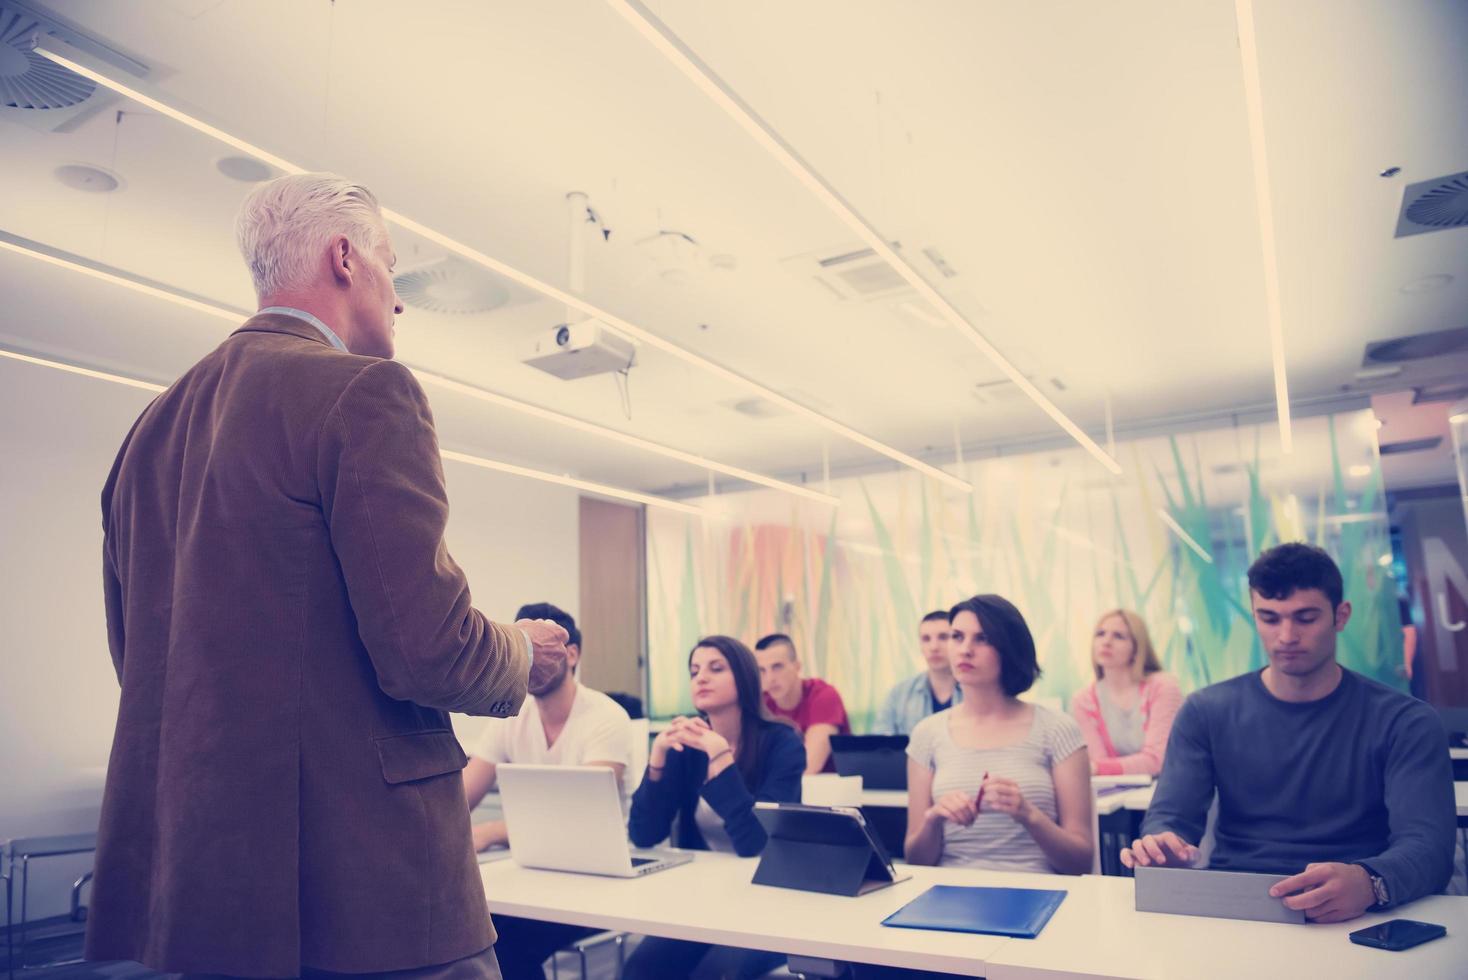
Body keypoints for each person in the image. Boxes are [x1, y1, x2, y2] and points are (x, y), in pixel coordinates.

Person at [86, 172, 570, 979]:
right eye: (390, 263)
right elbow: (428, 649)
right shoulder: (364, 392)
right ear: (345, 258)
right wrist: (524, 652)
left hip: (207, 883)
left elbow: (138, 658)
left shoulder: (150, 428)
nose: (401, 297)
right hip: (371, 886)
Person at [1123, 543, 1456, 923]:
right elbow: (1171, 819)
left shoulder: (1405, 720)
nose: (1286, 635)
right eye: (1269, 618)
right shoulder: (1205, 711)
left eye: (1305, 617)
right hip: (1238, 906)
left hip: (1355, 910)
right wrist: (1163, 845)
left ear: (1340, 615)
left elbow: (1429, 848)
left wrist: (1371, 881)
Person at [463, 603, 633, 980]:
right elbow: (462, 798)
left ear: (570, 654)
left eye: (540, 648)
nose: (531, 659)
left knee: (500, 943)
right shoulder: (510, 715)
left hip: (596, 881)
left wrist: (491, 832)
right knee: (472, 933)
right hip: (532, 874)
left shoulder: (606, 717)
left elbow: (585, 815)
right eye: (526, 648)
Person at [624, 636, 804, 979]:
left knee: (717, 974)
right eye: (694, 671)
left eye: (715, 668)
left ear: (745, 678)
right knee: (640, 969)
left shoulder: (784, 743)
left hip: (769, 902)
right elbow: (644, 834)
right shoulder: (687, 744)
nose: (701, 678)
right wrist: (657, 761)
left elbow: (755, 842)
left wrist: (721, 758)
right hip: (704, 898)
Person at [904, 595, 1092, 874]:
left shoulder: (1058, 729)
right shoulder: (926, 734)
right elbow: (916, 862)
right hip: (949, 893)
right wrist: (933, 819)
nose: (965, 649)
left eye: (983, 639)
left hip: (1039, 891)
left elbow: (1080, 862)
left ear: (1009, 649)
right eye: (957, 636)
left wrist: (1029, 815)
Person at [1069, 609, 1182, 776]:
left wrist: (1098, 768)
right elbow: (1099, 763)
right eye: (1100, 634)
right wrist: (1098, 768)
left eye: (1119, 636)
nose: (1106, 642)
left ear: (1137, 648)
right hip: (1116, 794)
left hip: (1166, 787)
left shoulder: (1164, 687)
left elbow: (1158, 760)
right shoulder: (1083, 700)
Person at [754, 633, 851, 773]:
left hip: (828, 788)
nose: (769, 678)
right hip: (784, 789)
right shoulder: (762, 702)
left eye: (777, 667)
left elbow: (808, 766)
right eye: (761, 670)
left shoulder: (823, 695)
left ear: (797, 666)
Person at [873, 610, 962, 735]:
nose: (934, 647)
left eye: (943, 637)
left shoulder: (975, 692)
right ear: (920, 645)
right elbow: (878, 746)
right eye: (926, 639)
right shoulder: (899, 694)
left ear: (956, 642)